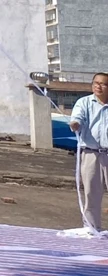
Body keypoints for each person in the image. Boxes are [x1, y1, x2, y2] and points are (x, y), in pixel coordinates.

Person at [70, 73, 108, 231]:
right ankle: (92, 229)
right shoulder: (84, 102)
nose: (98, 86)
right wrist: (75, 124)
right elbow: (77, 117)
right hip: (91, 153)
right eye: (95, 83)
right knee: (91, 194)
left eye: (103, 84)